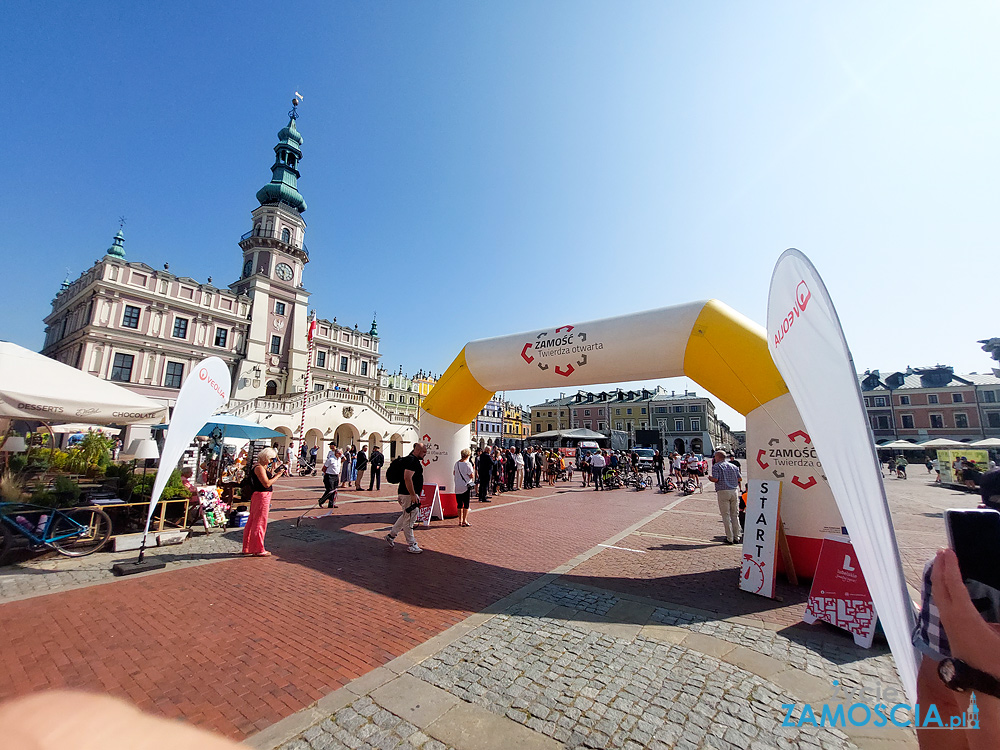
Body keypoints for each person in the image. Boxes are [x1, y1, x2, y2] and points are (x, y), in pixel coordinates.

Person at [384, 442, 428, 553]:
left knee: (405, 516)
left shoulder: (410, 460)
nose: (425, 454)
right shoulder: (412, 461)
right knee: (409, 520)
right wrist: (413, 494)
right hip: (408, 495)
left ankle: (391, 535)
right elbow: (407, 478)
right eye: (423, 452)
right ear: (417, 450)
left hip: (406, 493)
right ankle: (412, 544)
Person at [243, 447, 285, 556]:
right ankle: (258, 548)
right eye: (272, 459)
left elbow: (267, 476)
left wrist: (273, 467)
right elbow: (266, 483)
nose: (272, 461)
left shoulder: (261, 467)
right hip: (262, 495)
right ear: (267, 458)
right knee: (260, 521)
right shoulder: (259, 468)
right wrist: (278, 475)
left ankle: (248, 547)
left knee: (253, 520)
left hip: (260, 495)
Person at [709, 449, 742, 544]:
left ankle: (729, 538)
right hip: (734, 491)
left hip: (723, 491)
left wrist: (711, 478)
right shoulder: (733, 466)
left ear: (718, 457)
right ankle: (737, 536)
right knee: (735, 515)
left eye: (715, 456)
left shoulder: (717, 466)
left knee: (726, 515)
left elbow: (716, 479)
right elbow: (739, 478)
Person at [453, 448, 475, 527]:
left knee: (459, 504)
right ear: (468, 455)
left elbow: (454, 473)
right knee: (466, 504)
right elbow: (471, 475)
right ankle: (464, 520)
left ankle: (459, 520)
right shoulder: (467, 464)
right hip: (465, 486)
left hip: (457, 486)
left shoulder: (457, 463)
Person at [319, 444, 342, 508]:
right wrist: (326, 475)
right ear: (336, 453)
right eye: (340, 453)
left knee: (334, 490)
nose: (341, 455)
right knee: (330, 490)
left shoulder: (339, 459)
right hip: (329, 476)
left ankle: (331, 503)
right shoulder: (331, 459)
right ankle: (321, 501)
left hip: (336, 476)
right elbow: (324, 468)